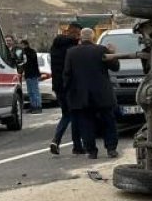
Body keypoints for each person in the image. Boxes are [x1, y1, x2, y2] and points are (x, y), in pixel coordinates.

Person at [63, 28, 119, 159]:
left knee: (86, 124)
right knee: (108, 122)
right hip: (102, 94)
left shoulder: (71, 52)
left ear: (81, 38)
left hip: (81, 95)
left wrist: (68, 93)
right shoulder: (101, 50)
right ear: (93, 37)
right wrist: (113, 53)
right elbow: (115, 67)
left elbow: (67, 74)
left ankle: (91, 151)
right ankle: (111, 149)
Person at [48, 22, 84, 155]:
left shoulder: (55, 45)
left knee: (66, 114)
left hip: (57, 86)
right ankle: (77, 146)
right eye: (78, 34)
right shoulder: (72, 47)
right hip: (69, 85)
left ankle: (56, 141)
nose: (79, 37)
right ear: (74, 32)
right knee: (74, 114)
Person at [20, 39, 42, 113]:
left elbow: (31, 61)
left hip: (33, 74)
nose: (21, 46)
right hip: (28, 74)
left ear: (26, 44)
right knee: (30, 92)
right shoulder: (23, 53)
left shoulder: (31, 52)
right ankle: (33, 106)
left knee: (35, 91)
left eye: (22, 45)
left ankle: (38, 107)